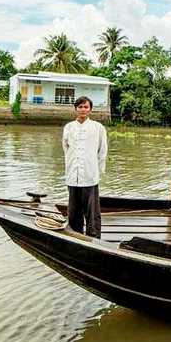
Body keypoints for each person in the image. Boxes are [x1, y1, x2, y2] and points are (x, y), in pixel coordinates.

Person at [62, 96, 108, 238]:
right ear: (75, 109)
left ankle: (93, 235)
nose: (83, 109)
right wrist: (70, 164)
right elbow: (66, 147)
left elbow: (102, 150)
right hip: (72, 173)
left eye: (86, 107)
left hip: (90, 173)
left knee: (92, 209)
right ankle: (75, 235)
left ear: (90, 109)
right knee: (74, 209)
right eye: (80, 107)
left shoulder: (98, 128)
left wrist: (98, 170)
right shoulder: (69, 127)